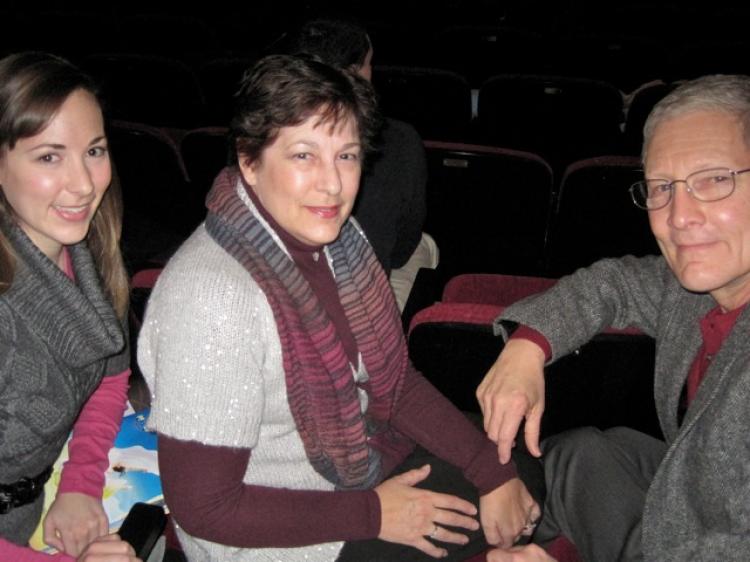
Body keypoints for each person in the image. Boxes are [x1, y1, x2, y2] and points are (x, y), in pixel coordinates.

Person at [138, 54, 542, 562]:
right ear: (249, 159)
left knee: (520, 471)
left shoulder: (335, 240)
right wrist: (377, 513)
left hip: (359, 463)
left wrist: (490, 467)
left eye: (346, 156)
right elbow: (204, 509)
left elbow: (391, 385)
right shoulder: (214, 299)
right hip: (275, 536)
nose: (332, 185)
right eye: (304, 155)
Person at [476, 74, 750, 561]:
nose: (679, 215)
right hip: (687, 497)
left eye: (714, 180)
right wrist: (528, 345)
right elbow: (616, 282)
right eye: (663, 186)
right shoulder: (701, 287)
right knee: (581, 454)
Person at [0, 52, 140, 561]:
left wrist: (80, 482)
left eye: (95, 151)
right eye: (48, 157)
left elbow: (108, 371)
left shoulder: (87, 253)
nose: (84, 185)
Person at [284, 18, 439, 311]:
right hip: (337, 298)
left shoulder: (260, 131)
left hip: (296, 285)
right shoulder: (399, 140)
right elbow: (401, 250)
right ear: (355, 72)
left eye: (346, 156)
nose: (331, 181)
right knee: (424, 247)